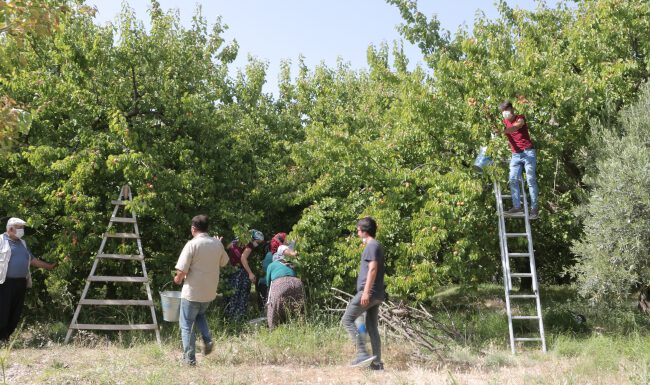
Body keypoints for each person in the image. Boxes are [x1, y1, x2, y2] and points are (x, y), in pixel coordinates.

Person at [173, 215, 229, 366]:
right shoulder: (216, 244)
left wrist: (177, 279)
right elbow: (224, 262)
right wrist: (220, 244)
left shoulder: (192, 244)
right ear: (207, 228)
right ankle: (208, 339)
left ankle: (189, 360)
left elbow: (182, 270)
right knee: (200, 315)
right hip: (209, 293)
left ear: (193, 228)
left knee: (186, 325)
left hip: (192, 293)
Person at [0, 217, 56, 342]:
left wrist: (49, 266)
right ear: (10, 229)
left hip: (20, 282)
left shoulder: (23, 243)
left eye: (23, 227)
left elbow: (33, 260)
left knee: (16, 312)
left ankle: (5, 337)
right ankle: (2, 336)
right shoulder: (1, 240)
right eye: (19, 227)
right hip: (4, 283)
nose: (22, 230)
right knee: (2, 311)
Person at [341, 216, 385, 370]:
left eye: (358, 230)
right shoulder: (376, 245)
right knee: (371, 327)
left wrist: (365, 293)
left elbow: (373, 269)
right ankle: (377, 364)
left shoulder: (371, 246)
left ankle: (362, 354)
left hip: (369, 293)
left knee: (347, 320)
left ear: (365, 231)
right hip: (377, 293)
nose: (357, 233)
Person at [496, 100, 539, 219]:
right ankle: (517, 207)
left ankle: (534, 209)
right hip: (515, 155)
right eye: (503, 111)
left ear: (512, 109)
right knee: (513, 179)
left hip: (528, 153)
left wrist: (503, 131)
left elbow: (516, 127)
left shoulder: (520, 118)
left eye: (506, 110)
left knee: (531, 180)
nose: (505, 113)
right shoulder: (504, 121)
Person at [222, 229, 264, 321]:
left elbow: (227, 247)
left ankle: (228, 317)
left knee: (232, 294)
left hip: (231, 272)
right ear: (253, 238)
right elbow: (243, 258)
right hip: (240, 274)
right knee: (241, 294)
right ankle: (238, 318)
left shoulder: (235, 241)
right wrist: (250, 273)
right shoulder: (249, 245)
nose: (257, 244)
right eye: (257, 242)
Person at [265, 257, 304, 330]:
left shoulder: (271, 265)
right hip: (297, 282)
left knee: (273, 306)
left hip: (280, 283)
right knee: (298, 304)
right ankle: (301, 325)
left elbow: (268, 282)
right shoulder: (289, 264)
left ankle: (272, 328)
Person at [256, 232, 286, 312]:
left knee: (266, 310)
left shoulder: (269, 254)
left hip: (265, 284)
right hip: (267, 284)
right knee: (268, 309)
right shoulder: (275, 256)